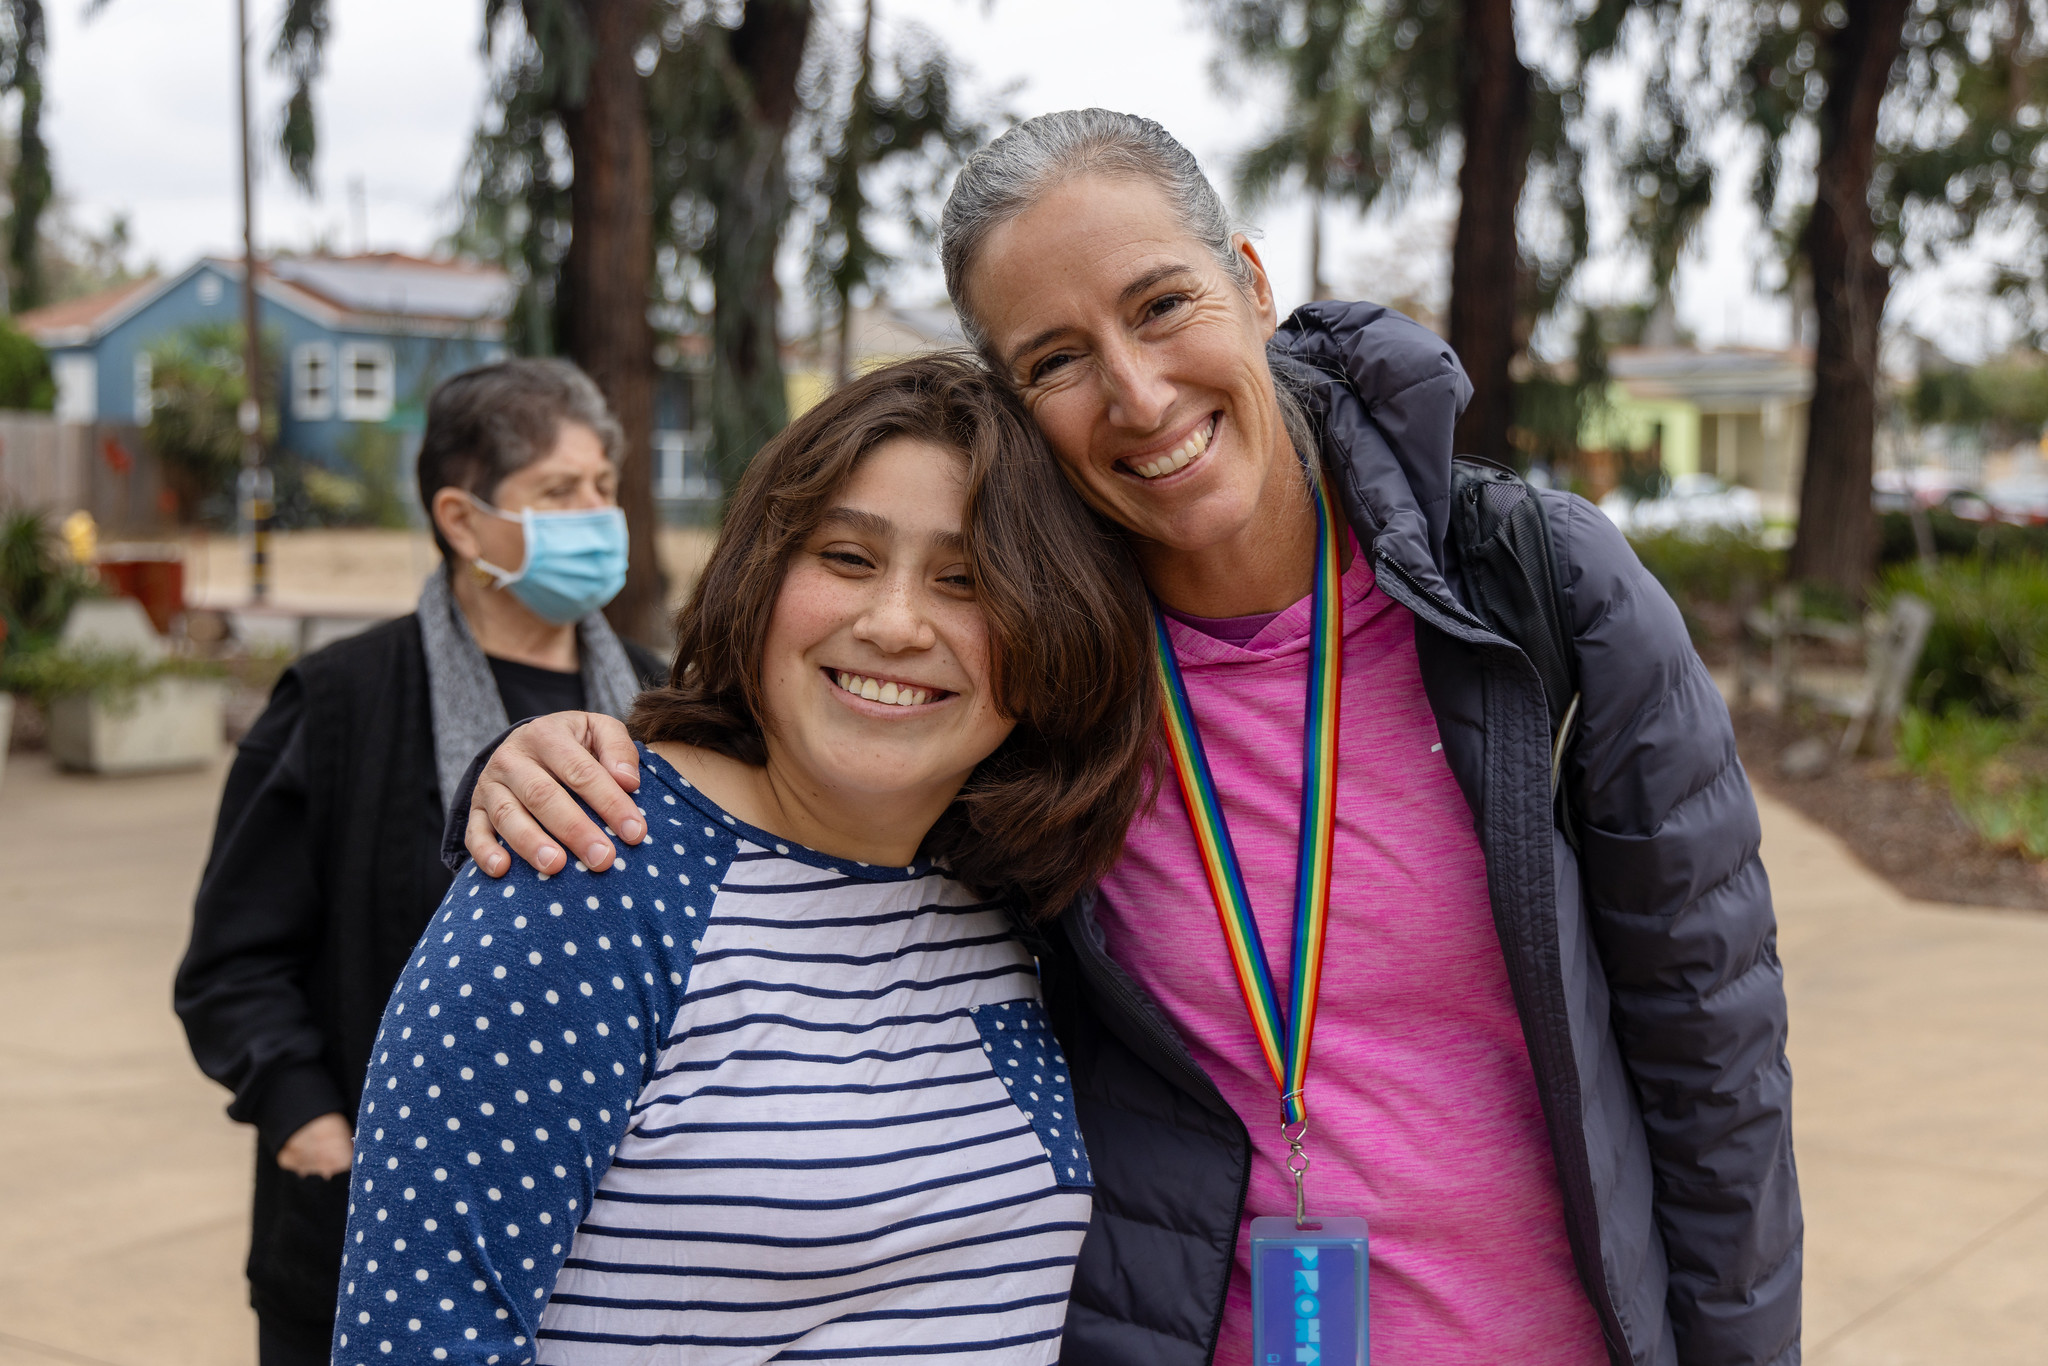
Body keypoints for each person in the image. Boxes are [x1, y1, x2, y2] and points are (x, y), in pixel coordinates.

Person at [455, 111, 1801, 1366]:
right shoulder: (1033, 659)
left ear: (1253, 282)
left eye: (1162, 305)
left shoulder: (1529, 581)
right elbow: (808, 765)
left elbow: (1711, 1057)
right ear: (1013, 398)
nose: (1140, 393)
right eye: (1056, 359)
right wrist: (547, 750)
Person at [329, 354, 1155, 1365]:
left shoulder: (1018, 901)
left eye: (966, 580)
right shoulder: (588, 864)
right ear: (760, 577)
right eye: (847, 557)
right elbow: (418, 1338)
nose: (893, 623)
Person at [175, 358, 667, 1366]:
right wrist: (306, 1117)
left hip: (615, 1248)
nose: (593, 514)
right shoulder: (342, 701)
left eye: (603, 487)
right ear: (460, 516)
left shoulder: (661, 708)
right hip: (367, 1227)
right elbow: (235, 960)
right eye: (555, 492)